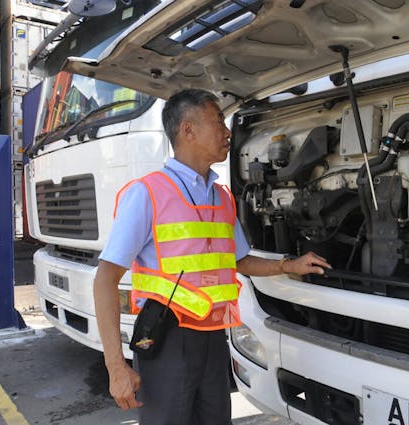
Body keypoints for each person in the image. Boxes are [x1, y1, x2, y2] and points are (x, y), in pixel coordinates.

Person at [93, 89, 330, 425]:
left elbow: (237, 260)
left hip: (214, 338)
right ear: (187, 130)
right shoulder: (147, 193)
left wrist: (286, 266)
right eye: (219, 121)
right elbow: (105, 278)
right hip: (166, 339)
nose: (228, 132)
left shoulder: (221, 197)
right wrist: (116, 366)